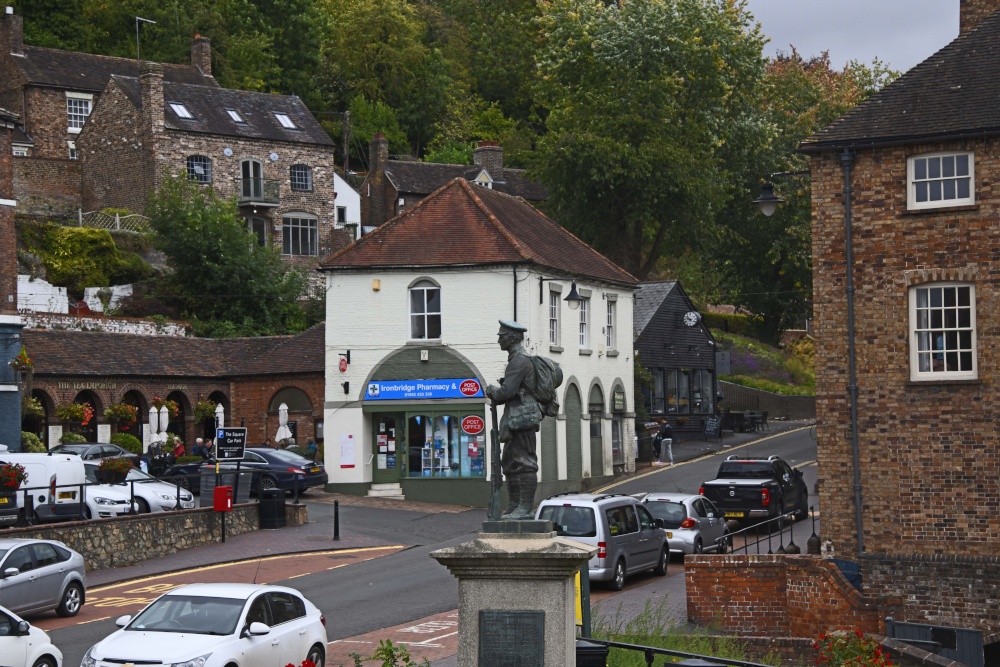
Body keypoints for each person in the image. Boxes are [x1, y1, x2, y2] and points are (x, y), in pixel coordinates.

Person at [485, 319, 543, 521]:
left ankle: (524, 508)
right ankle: (514, 505)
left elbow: (507, 392)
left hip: (522, 418)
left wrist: (494, 391)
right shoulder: (515, 359)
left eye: (502, 335)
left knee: (524, 463)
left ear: (513, 338)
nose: (499, 339)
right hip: (515, 417)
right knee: (509, 462)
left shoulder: (520, 360)